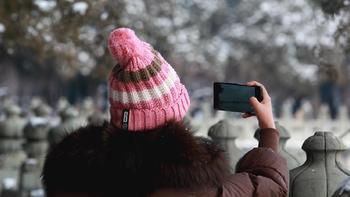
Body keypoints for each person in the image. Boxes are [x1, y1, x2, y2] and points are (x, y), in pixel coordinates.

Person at [42, 28, 288, 197]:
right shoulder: (194, 179)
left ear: (118, 109)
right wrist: (268, 128)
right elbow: (269, 186)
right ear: (176, 111)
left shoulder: (71, 169)